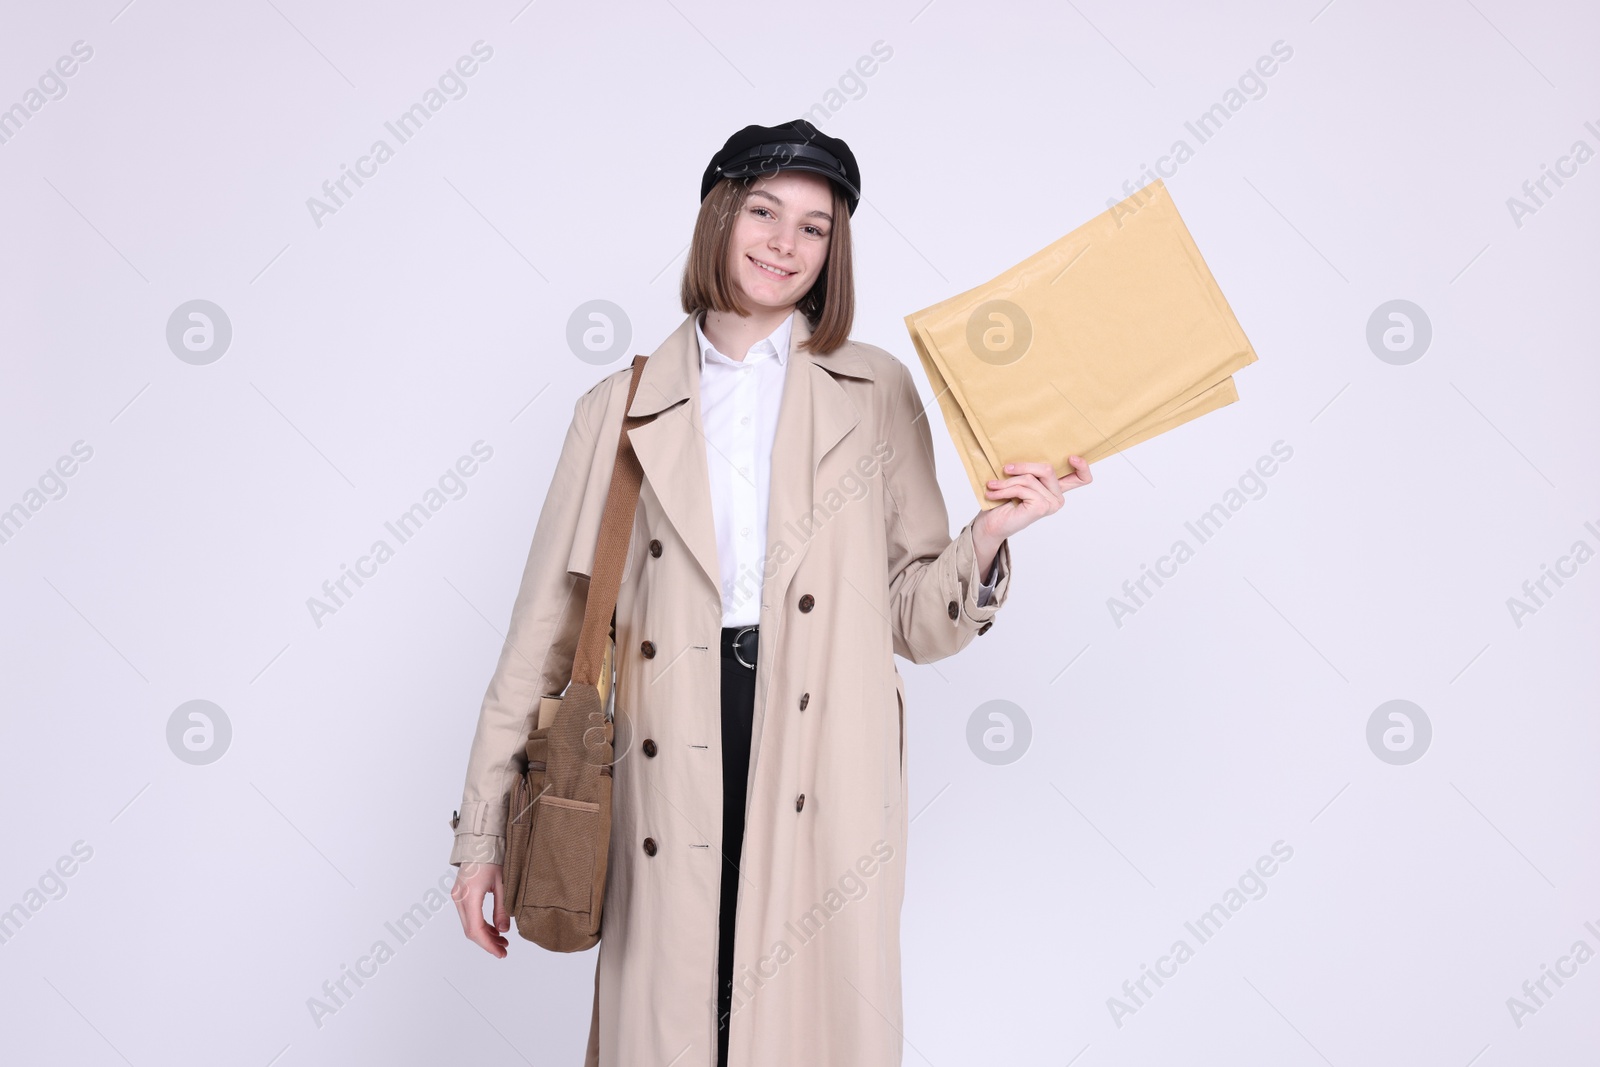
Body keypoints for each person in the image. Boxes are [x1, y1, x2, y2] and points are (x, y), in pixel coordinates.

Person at [449, 119, 1092, 1066]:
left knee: (806, 1020)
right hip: (666, 740)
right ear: (720, 216)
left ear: (835, 252)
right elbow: (543, 636)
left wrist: (990, 537)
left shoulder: (877, 390)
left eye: (815, 227)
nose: (785, 244)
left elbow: (915, 616)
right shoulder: (616, 407)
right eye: (764, 211)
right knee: (679, 1007)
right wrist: (479, 839)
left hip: (827, 743)